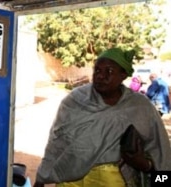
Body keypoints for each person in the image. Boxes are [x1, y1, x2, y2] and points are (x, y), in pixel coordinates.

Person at [33, 48, 171, 187]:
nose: (101, 76)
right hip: (69, 176)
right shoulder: (75, 100)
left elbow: (159, 149)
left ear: (123, 75)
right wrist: (41, 178)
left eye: (109, 71)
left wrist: (147, 166)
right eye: (97, 70)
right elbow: (57, 141)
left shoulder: (140, 106)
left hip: (112, 179)